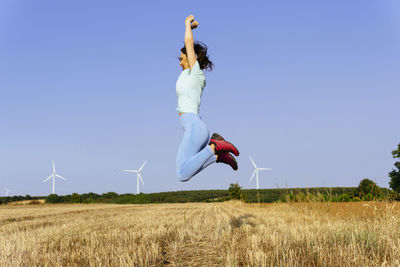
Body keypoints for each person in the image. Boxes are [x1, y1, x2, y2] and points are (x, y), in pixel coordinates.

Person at [176, 15, 240, 182]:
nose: (180, 61)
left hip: (194, 126)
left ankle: (215, 147)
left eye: (183, 58)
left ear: (193, 58)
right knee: (185, 169)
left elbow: (189, 44)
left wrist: (187, 25)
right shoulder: (186, 75)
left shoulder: (195, 73)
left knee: (182, 174)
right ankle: (217, 156)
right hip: (193, 127)